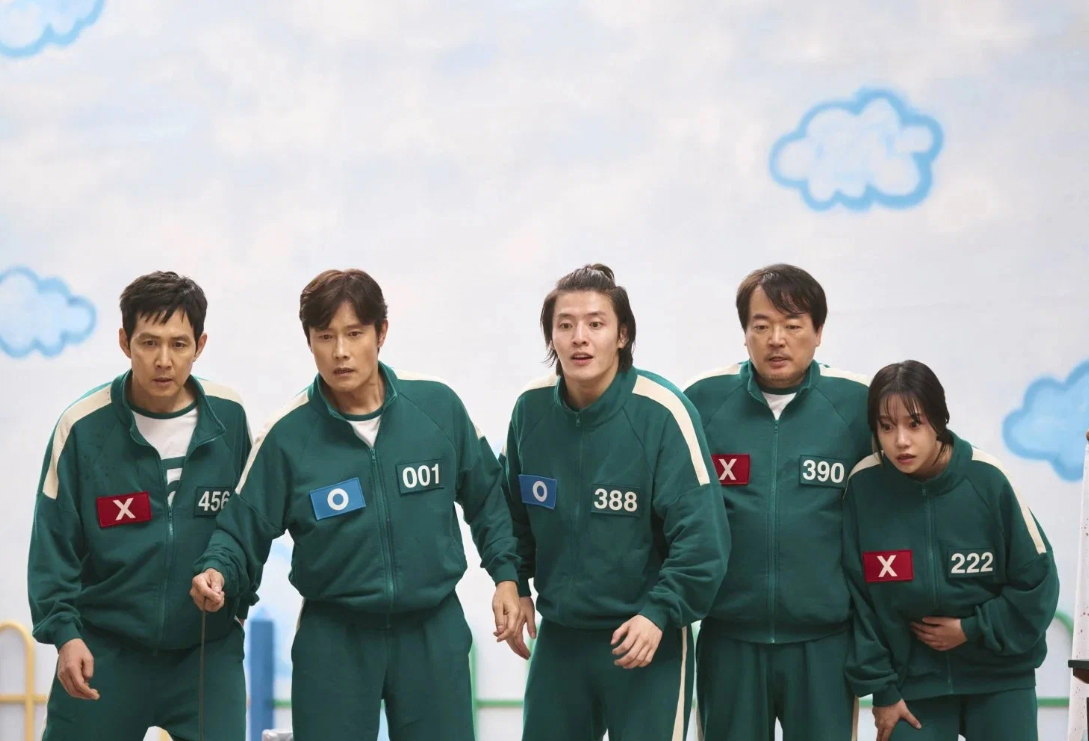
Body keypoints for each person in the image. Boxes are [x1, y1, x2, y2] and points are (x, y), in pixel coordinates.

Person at [190, 268, 522, 741]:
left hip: (432, 630)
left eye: (354, 334)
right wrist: (216, 570)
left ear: (381, 333)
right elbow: (240, 531)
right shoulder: (287, 435)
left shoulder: (438, 408)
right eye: (325, 336)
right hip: (334, 640)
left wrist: (506, 576)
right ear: (309, 341)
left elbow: (488, 498)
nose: (340, 351)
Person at [502, 263, 728, 741]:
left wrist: (659, 612)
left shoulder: (662, 412)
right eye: (565, 325)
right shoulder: (530, 410)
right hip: (561, 639)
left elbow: (703, 538)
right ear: (551, 337)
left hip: (645, 637)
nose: (579, 338)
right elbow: (513, 515)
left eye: (596, 323)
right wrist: (514, 581)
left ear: (622, 335)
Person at [28, 271, 251, 741]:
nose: (163, 360)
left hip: (206, 652)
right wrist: (65, 634)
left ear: (200, 345)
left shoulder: (230, 417)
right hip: (104, 651)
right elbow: (53, 543)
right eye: (149, 342)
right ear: (124, 342)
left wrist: (234, 594)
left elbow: (247, 525)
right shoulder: (81, 428)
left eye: (179, 344)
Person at [684, 263, 870, 741]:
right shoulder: (701, 401)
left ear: (819, 332)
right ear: (745, 332)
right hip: (729, 638)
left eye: (792, 326)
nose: (776, 340)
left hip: (825, 643)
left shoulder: (858, 404)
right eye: (761, 326)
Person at [844, 360, 1059, 741]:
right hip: (911, 687)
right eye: (886, 426)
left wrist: (971, 629)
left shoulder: (987, 479)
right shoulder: (863, 487)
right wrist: (883, 689)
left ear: (939, 421)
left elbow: (1038, 582)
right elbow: (858, 600)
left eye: (914, 423)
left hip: (999, 677)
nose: (901, 441)